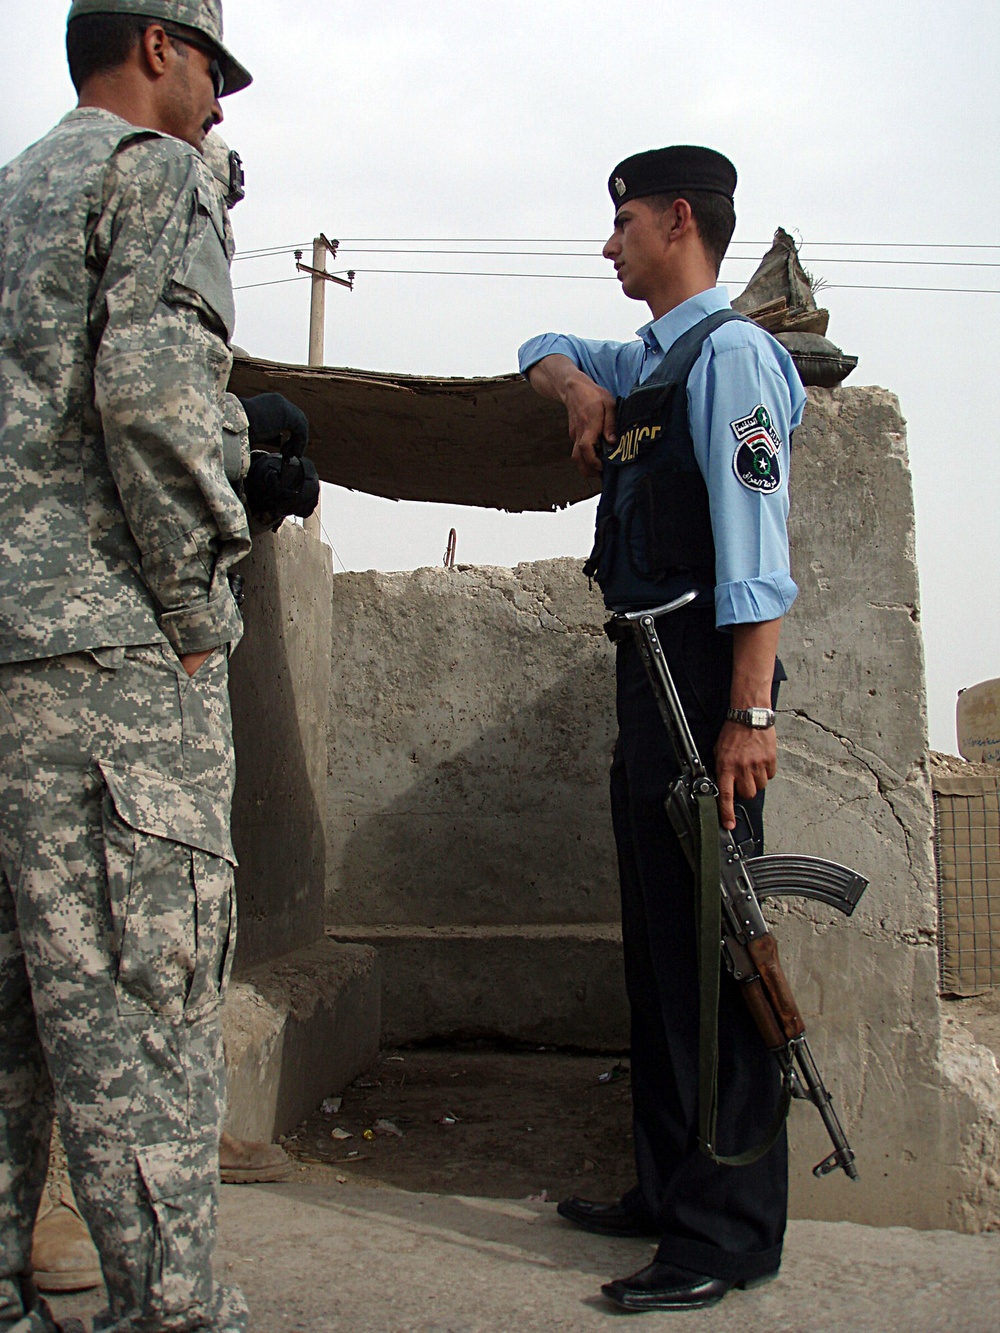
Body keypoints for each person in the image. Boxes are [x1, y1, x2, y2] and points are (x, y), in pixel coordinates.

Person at [0, 3, 259, 1329]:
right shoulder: (151, 172)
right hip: (107, 675)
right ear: (157, 43)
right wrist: (200, 603)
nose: (221, 103)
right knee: (141, 1025)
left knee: (11, 1036)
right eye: (215, 67)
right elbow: (155, 404)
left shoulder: (12, 193)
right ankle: (170, 1315)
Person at [518, 145, 806, 1313]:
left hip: (704, 680)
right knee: (655, 949)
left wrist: (748, 710)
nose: (608, 244)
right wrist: (577, 390)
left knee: (714, 957)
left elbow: (756, 551)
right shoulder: (646, 359)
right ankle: (664, 1186)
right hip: (647, 674)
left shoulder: (732, 356)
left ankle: (726, 1231)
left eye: (623, 223)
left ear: (677, 220)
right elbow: (535, 345)